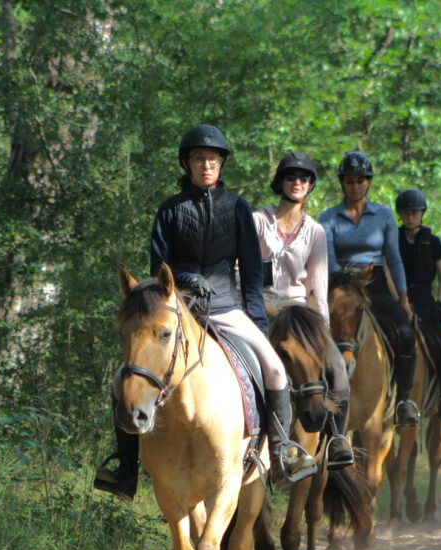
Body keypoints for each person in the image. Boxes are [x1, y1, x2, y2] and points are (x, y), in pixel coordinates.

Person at [94, 125, 317, 500]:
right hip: (176, 309)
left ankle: (281, 455)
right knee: (122, 377)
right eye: (199, 159)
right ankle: (125, 467)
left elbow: (249, 272)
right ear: (188, 163)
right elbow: (157, 267)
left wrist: (259, 327)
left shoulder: (238, 209)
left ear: (221, 164)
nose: (206, 165)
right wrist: (185, 278)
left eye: (212, 159)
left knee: (276, 369)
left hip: (227, 307)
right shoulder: (169, 209)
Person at [252, 151, 354, 470]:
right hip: (263, 306)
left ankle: (337, 439)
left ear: (310, 186)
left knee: (338, 370)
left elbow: (318, 289)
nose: (298, 182)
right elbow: (243, 271)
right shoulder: (257, 221)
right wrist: (258, 306)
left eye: (305, 178)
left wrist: (321, 333)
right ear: (280, 182)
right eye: (292, 177)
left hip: (298, 312)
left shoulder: (316, 231)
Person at [318, 152, 419, 426]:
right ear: (342, 184)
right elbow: (328, 256)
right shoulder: (327, 218)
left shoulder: (384, 216)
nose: (354, 186)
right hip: (340, 286)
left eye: (360, 181)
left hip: (373, 284)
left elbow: (394, 258)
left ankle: (403, 401)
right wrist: (345, 280)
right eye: (349, 181)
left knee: (406, 334)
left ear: (368, 183)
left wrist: (403, 297)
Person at [396, 189, 441, 419]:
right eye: (405, 213)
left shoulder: (433, 242)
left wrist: (440, 302)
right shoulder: (393, 240)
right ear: (400, 215)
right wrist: (401, 302)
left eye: (414, 213)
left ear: (422, 214)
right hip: (400, 301)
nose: (410, 217)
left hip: (426, 303)